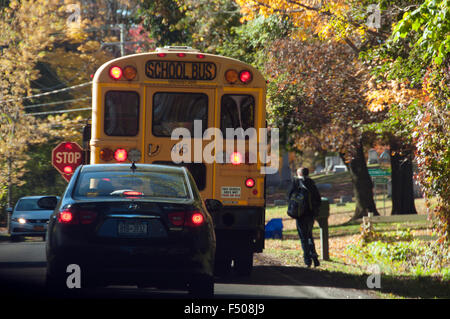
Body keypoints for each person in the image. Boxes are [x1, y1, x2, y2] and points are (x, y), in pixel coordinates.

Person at [288, 167, 322, 267]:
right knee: (309, 235)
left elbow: (289, 197)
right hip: (310, 215)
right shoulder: (311, 183)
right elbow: (318, 199)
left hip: (300, 215)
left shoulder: (295, 183)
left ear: (299, 173)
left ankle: (307, 260)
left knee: (303, 238)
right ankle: (314, 257)